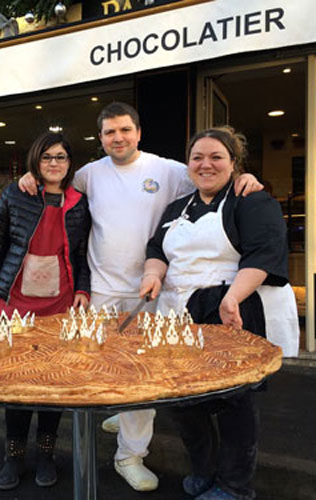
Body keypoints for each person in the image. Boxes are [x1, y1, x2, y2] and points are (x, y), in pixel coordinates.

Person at [19, 102, 263, 492]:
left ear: (138, 132)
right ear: (100, 138)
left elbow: (211, 176)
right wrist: (28, 178)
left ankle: (129, 456)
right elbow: (55, 184)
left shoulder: (166, 170)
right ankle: (123, 411)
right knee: (96, 369)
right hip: (100, 288)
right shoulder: (88, 174)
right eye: (110, 132)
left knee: (143, 375)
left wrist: (245, 177)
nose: (118, 138)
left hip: (152, 291)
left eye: (125, 130)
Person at [140, 126, 299, 499]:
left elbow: (264, 253)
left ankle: (235, 486)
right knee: (183, 400)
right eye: (197, 157)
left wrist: (233, 298)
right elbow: (157, 248)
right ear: (188, 164)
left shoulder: (251, 200)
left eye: (216, 157)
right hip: (179, 314)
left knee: (233, 402)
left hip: (232, 309)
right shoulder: (178, 206)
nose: (205, 164)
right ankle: (205, 471)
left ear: (233, 163)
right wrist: (152, 273)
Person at [0, 132, 91, 490]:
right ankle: (12, 456)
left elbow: (81, 253)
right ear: (35, 161)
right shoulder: (18, 193)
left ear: (69, 163)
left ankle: (46, 453)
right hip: (17, 301)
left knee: (52, 383)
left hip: (59, 303)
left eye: (61, 157)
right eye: (47, 157)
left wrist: (82, 289)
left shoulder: (78, 201)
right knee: (17, 381)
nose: (54, 163)